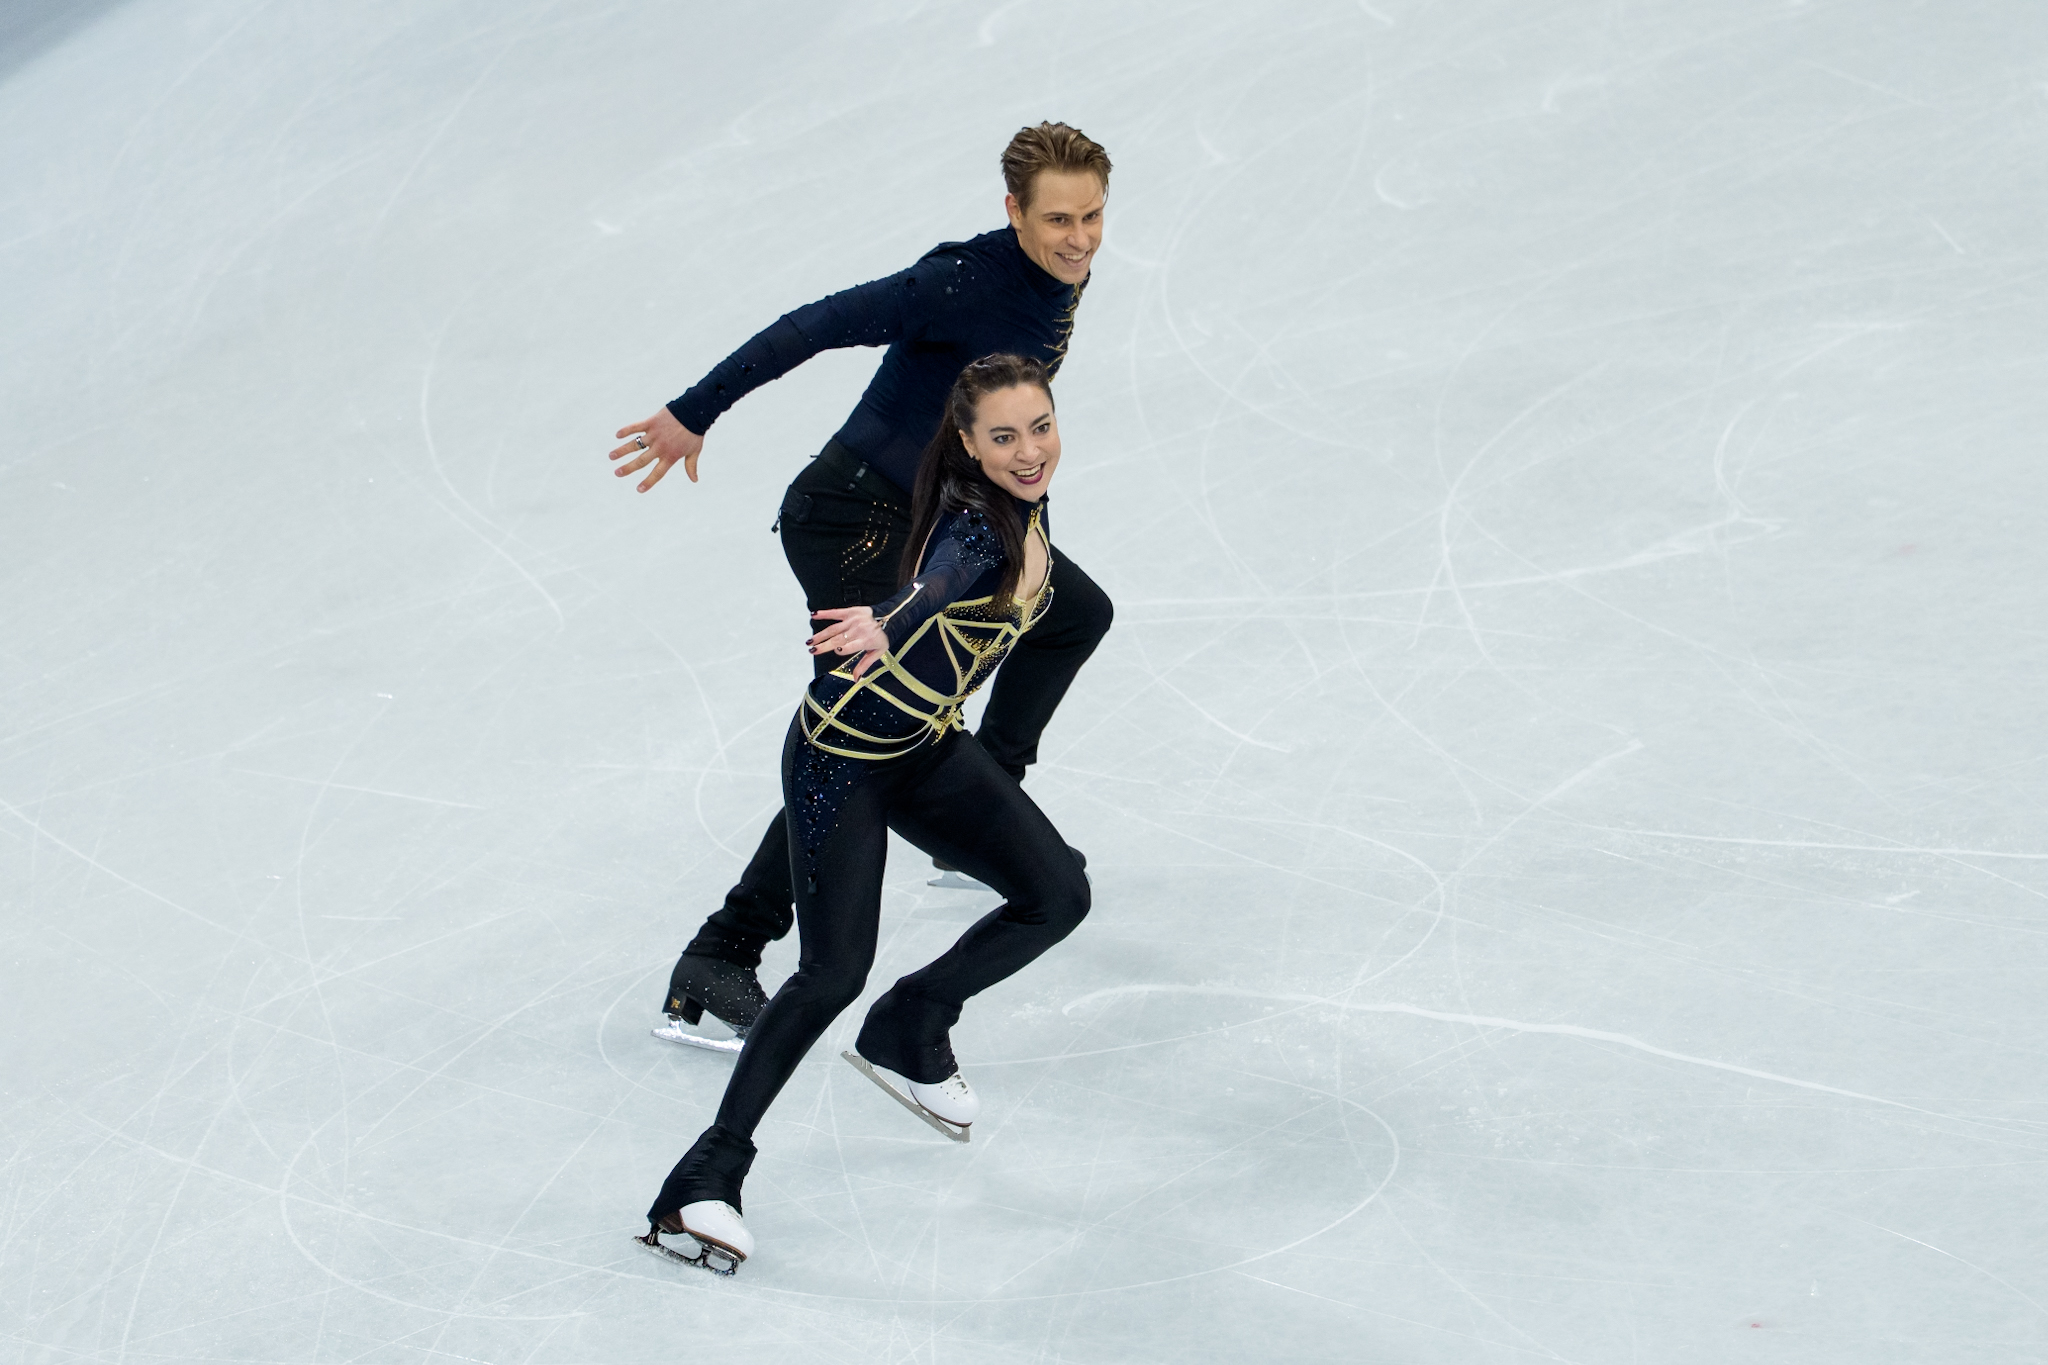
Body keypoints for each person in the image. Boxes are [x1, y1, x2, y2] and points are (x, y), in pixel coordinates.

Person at [607, 123, 1115, 1048]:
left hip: (936, 516)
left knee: (1073, 612)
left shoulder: (1059, 273)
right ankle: (721, 954)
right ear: (1013, 211)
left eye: (1092, 216)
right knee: (863, 739)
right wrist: (693, 411)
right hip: (852, 521)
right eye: (1057, 220)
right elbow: (817, 324)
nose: (1079, 238)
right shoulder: (961, 282)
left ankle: (985, 790)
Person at [635, 355, 1092, 1275]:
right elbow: (947, 573)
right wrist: (892, 615)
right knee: (831, 970)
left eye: (1040, 427)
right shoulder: (977, 519)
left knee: (1058, 893)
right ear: (967, 444)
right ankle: (703, 1178)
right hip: (840, 761)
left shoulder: (1030, 508)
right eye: (1004, 437)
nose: (1029, 450)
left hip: (925, 746)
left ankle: (911, 1023)